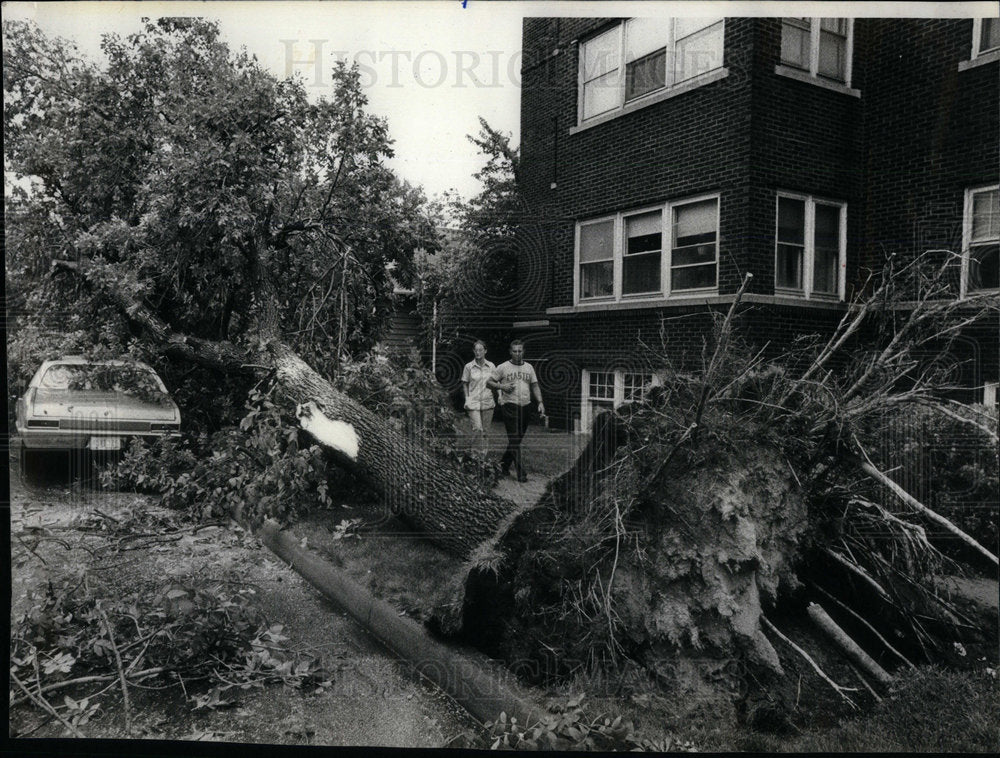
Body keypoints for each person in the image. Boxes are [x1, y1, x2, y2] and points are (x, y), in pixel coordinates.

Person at [488, 339, 545, 482]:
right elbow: (489, 382)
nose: (517, 354)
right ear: (510, 352)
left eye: (520, 351)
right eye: (515, 351)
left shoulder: (529, 367)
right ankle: (521, 473)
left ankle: (503, 465)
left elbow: (535, 386)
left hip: (526, 406)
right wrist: (502, 387)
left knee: (516, 439)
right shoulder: (503, 367)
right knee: (514, 438)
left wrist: (540, 402)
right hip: (510, 406)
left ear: (523, 352)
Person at [461, 340, 496, 455]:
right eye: (476, 350)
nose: (478, 352)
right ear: (473, 351)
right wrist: (467, 398)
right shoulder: (468, 367)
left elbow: (496, 382)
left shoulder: (491, 366)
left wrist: (500, 396)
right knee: (477, 429)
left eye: (480, 350)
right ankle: (474, 455)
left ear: (485, 351)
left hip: (487, 402)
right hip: (473, 402)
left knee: (485, 432)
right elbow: (465, 383)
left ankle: (483, 457)